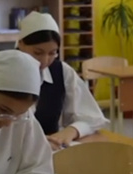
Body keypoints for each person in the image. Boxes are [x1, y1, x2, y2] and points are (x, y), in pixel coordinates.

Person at [16, 11, 109, 150]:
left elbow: (92, 117)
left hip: (52, 151)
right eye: (38, 52)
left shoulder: (61, 71)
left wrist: (72, 130)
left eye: (52, 53)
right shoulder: (3, 72)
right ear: (21, 44)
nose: (44, 61)